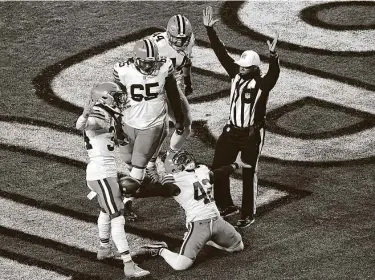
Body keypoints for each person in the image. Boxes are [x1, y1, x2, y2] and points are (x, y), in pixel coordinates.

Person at [203, 6, 280, 228]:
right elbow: (221, 53)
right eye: (241, 66)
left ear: (255, 68)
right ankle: (225, 205)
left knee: (248, 172)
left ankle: (248, 213)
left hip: (251, 134)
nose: (241, 69)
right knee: (218, 166)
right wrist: (210, 31)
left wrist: (273, 56)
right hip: (231, 130)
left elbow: (274, 74)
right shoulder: (236, 74)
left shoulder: (262, 84)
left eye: (246, 67)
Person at [75, 82, 150, 278]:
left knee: (106, 211)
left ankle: (104, 248)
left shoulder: (108, 115)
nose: (120, 99)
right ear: (105, 98)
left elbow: (112, 136)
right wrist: (84, 115)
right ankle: (128, 264)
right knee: (118, 216)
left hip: (104, 172)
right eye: (116, 96)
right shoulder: (98, 115)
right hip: (101, 174)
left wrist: (119, 135)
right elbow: (83, 125)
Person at [129, 150, 244, 271]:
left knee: (238, 247)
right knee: (180, 265)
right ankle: (160, 250)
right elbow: (161, 190)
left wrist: (236, 164)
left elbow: (218, 173)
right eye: (181, 161)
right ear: (174, 168)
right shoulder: (176, 181)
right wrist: (137, 192)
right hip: (198, 225)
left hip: (217, 221)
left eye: (185, 158)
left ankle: (209, 240)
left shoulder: (200, 171)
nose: (187, 161)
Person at [113, 38, 185, 221]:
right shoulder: (123, 70)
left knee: (137, 167)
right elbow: (116, 100)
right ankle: (147, 185)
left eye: (151, 63)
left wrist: (179, 118)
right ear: (136, 59)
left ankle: (125, 203)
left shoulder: (164, 66)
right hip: (129, 122)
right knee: (128, 161)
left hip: (153, 124)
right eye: (145, 62)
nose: (148, 67)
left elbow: (173, 92)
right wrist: (117, 127)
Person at [145, 14, 195, 184]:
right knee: (159, 128)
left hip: (172, 85)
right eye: (176, 39)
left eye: (183, 39)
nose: (180, 43)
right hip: (153, 88)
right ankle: (149, 165)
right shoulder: (156, 45)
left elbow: (186, 61)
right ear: (168, 34)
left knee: (186, 124)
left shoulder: (190, 40)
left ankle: (170, 157)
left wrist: (187, 80)